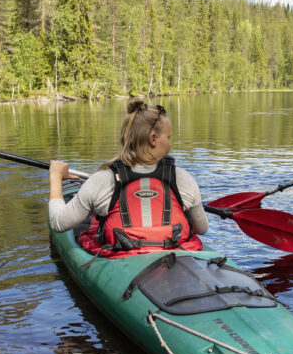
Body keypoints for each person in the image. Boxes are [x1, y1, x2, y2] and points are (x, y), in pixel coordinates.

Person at [49, 100, 208, 255]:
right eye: (169, 137)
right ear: (153, 138)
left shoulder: (101, 180)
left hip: (122, 258)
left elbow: (58, 222)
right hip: (174, 255)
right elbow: (201, 228)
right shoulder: (183, 179)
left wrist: (55, 177)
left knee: (87, 223)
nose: (170, 144)